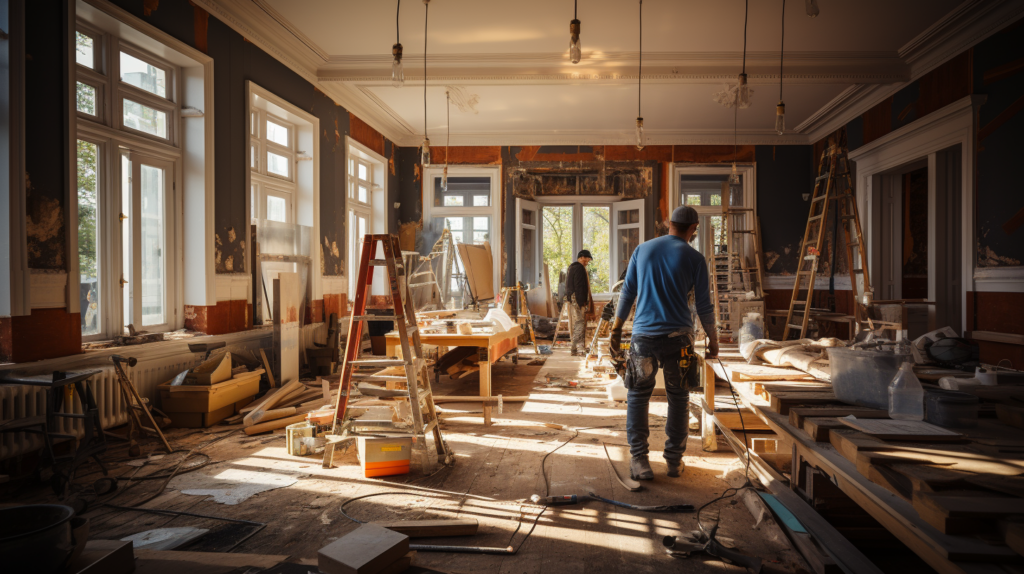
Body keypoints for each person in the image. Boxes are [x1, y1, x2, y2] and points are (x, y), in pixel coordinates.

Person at [609, 206, 718, 480]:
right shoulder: (695, 258)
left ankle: (639, 462)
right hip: (680, 339)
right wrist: (714, 339)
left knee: (637, 396)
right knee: (678, 398)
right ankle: (673, 461)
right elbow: (704, 306)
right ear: (693, 228)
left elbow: (627, 292)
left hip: (643, 338)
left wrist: (616, 327)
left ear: (668, 223)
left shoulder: (642, 250)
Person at [565, 249, 593, 356]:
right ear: (581, 257)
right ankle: (575, 348)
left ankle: (576, 347)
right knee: (580, 323)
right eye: (586, 259)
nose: (587, 262)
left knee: (577, 323)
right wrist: (582, 303)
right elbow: (579, 287)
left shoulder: (572, 267)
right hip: (577, 300)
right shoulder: (580, 268)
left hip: (572, 300)